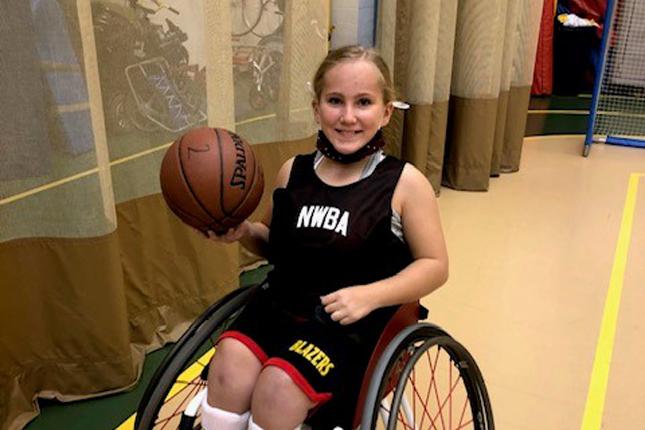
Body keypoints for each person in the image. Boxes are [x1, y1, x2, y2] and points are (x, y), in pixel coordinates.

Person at [200, 45, 449, 430]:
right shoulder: (292, 173)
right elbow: (275, 244)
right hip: (282, 305)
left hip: (350, 322)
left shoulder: (404, 183)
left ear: (385, 112)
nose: (348, 116)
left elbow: (435, 266)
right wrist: (246, 231)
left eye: (363, 102)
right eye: (335, 101)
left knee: (277, 389)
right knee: (227, 368)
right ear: (317, 109)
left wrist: (370, 295)